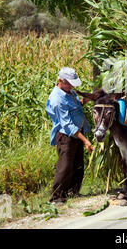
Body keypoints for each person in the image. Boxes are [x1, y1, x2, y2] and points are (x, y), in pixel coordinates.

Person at [45, 67, 94, 203]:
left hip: (77, 133)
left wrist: (86, 100)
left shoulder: (69, 92)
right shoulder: (57, 99)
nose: (72, 86)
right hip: (66, 136)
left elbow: (77, 107)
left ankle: (73, 192)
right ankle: (57, 197)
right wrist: (86, 141)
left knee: (78, 164)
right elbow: (67, 125)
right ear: (61, 80)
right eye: (69, 83)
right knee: (65, 166)